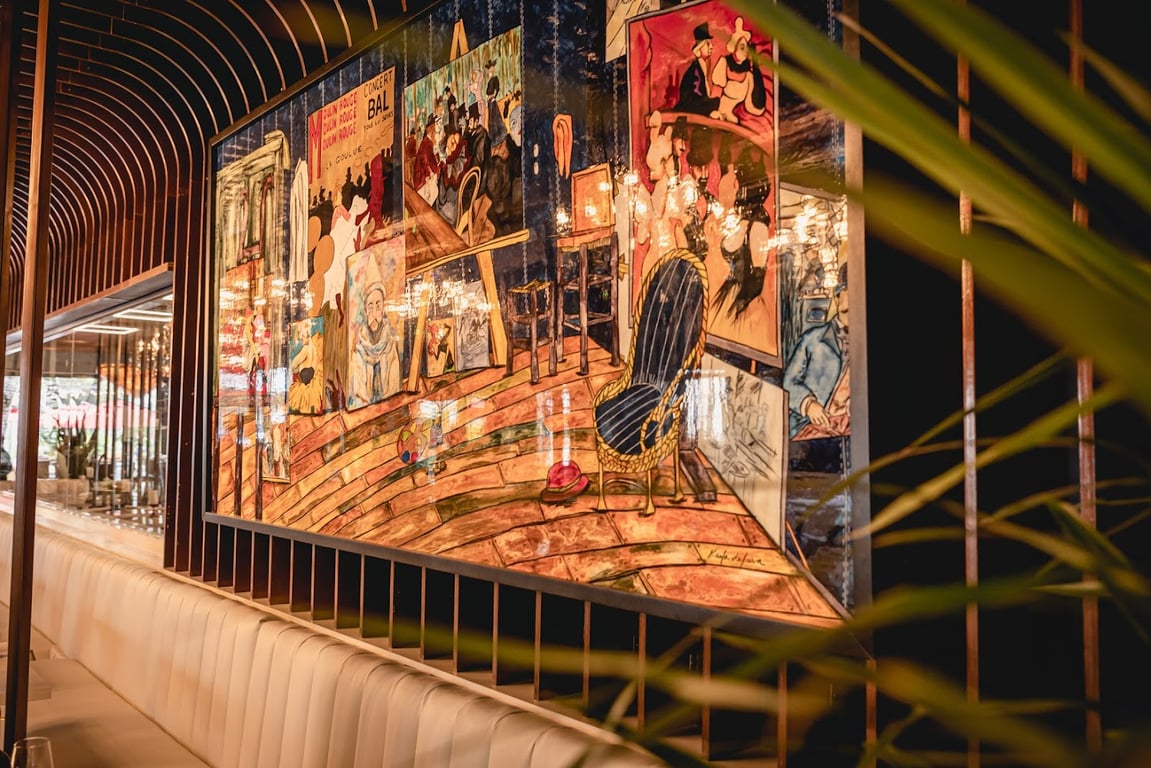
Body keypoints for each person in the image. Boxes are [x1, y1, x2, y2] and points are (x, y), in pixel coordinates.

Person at [783, 263, 850, 438]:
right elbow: (789, 382)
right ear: (837, 296)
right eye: (848, 290)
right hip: (813, 427)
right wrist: (808, 404)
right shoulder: (813, 338)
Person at [348, 280, 401, 407]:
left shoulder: (391, 345)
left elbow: (394, 388)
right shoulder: (359, 350)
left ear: (383, 309)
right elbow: (358, 393)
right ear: (365, 311)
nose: (374, 313)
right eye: (370, 307)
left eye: (378, 306)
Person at [710, 17, 768, 123]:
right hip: (716, 109)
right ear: (734, 47)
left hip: (731, 116)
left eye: (746, 48)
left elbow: (750, 105)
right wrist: (713, 109)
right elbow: (716, 89)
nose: (745, 52)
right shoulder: (724, 63)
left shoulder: (749, 75)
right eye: (742, 47)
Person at [675, 22, 720, 116]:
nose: (711, 47)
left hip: (699, 102)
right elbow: (697, 94)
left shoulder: (703, 65)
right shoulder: (695, 69)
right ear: (700, 47)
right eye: (707, 44)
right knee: (717, 102)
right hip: (691, 105)